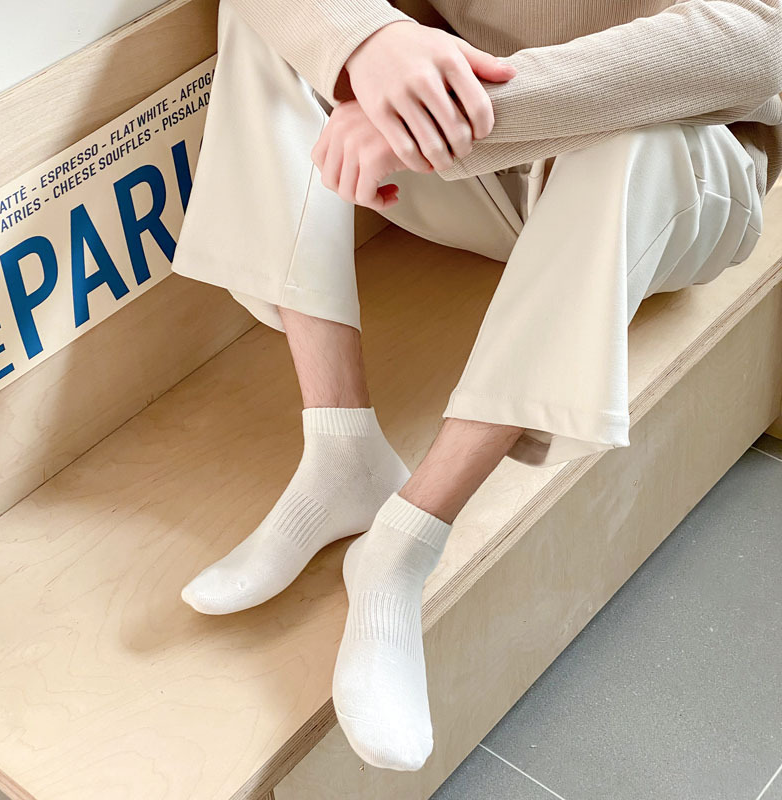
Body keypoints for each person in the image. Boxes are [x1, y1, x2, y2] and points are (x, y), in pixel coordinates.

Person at [171, 0, 782, 772]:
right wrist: (373, 44)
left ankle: (403, 544)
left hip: (672, 178)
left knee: (634, 139)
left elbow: (762, 38)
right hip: (478, 163)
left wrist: (473, 109)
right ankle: (338, 447)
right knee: (281, 24)